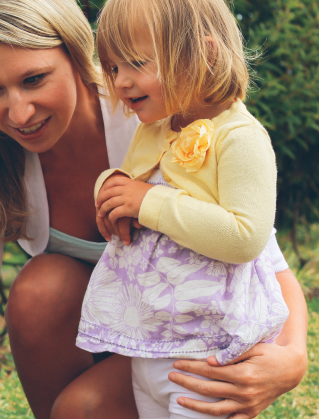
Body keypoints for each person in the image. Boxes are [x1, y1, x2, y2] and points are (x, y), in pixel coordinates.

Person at [0, 0, 308, 418]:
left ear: (76, 56)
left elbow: (257, 246)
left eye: (34, 79)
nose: (18, 112)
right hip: (106, 330)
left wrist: (291, 359)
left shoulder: (148, 113)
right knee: (43, 293)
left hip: (182, 332)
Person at [75, 0, 289, 417]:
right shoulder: (154, 128)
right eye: (114, 67)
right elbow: (135, 181)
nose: (120, 82)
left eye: (135, 63)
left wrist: (150, 202)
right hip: (151, 339)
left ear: (204, 54)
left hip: (209, 347)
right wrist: (112, 189)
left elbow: (246, 237)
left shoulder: (240, 137)